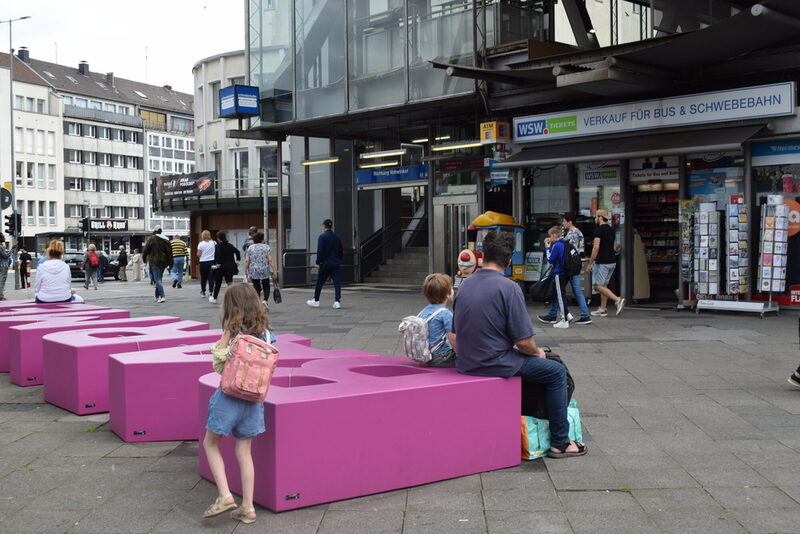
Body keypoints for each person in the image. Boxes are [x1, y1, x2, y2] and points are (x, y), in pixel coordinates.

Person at [450, 230, 586, 458]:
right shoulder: (509, 288)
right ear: (510, 260)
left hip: (467, 362)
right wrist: (538, 352)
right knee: (555, 371)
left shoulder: (465, 285)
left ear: (482, 256)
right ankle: (561, 442)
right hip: (496, 362)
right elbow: (523, 343)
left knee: (540, 366)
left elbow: (453, 336)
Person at [202, 283, 277, 525]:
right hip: (254, 401)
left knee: (211, 443)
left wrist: (225, 335)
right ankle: (248, 507)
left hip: (228, 398)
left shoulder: (233, 332)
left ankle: (224, 495)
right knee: (245, 452)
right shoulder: (267, 333)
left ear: (232, 306)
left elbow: (219, 365)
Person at [538, 214, 591, 326]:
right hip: (572, 265)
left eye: (564, 221)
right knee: (563, 292)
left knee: (563, 292)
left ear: (569, 222)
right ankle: (562, 314)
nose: (563, 223)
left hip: (567, 267)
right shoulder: (577, 233)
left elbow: (561, 250)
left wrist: (551, 245)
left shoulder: (572, 234)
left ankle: (566, 316)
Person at [585, 209, 625, 317]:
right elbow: (614, 247)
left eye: (596, 217)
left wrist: (590, 262)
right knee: (604, 285)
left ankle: (617, 300)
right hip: (612, 261)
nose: (595, 219)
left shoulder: (598, 230)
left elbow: (596, 247)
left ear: (600, 218)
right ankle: (602, 309)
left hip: (602, 262)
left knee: (597, 286)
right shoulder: (611, 230)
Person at [417, 273, 457, 368]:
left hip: (426, 356)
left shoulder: (424, 311)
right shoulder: (446, 314)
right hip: (441, 357)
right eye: (451, 288)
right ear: (447, 294)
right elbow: (453, 340)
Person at [306, 219, 343, 309]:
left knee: (319, 282)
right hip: (335, 263)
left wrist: (318, 262)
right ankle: (337, 301)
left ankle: (316, 300)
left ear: (324, 226)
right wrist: (338, 260)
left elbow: (320, 251)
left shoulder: (322, 237)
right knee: (337, 283)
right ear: (331, 226)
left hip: (325, 264)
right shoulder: (337, 237)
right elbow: (340, 251)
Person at [542, 226, 572, 329]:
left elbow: (550, 260)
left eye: (551, 235)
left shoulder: (557, 245)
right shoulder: (566, 242)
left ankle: (564, 320)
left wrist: (547, 248)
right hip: (567, 272)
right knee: (562, 294)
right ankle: (567, 314)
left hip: (559, 272)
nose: (550, 237)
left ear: (555, 234)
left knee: (560, 296)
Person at [244, 232, 276, 309]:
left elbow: (247, 260)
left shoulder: (250, 248)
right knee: (266, 286)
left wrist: (245, 270)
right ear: (262, 239)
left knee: (256, 287)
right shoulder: (266, 247)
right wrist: (274, 270)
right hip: (264, 269)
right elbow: (270, 260)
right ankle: (265, 300)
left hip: (253, 270)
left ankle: (258, 303)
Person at [142, 227, 173, 303]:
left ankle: (162, 296)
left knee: (157, 279)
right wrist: (171, 263)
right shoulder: (166, 240)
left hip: (154, 261)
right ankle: (156, 296)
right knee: (159, 278)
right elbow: (170, 253)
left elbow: (145, 250)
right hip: (163, 262)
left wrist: (144, 259)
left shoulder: (152, 239)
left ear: (154, 231)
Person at [210, 231, 241, 304]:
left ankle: (214, 298)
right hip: (229, 266)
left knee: (218, 283)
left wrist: (215, 264)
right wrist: (238, 261)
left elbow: (217, 256)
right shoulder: (230, 245)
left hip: (220, 267)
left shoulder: (217, 246)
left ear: (218, 238)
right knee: (229, 283)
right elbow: (237, 252)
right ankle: (234, 298)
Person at [198, 230, 217, 298]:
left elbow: (198, 254)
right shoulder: (214, 243)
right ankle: (211, 293)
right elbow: (216, 252)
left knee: (203, 277)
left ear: (202, 236)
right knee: (211, 278)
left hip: (203, 262)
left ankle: (203, 292)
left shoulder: (201, 244)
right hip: (212, 262)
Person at [0, 234, 10, 301]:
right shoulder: (0, 246)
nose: (4, 238)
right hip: (3, 265)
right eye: (3, 237)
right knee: (2, 281)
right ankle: (1, 296)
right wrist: (12, 249)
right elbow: (5, 256)